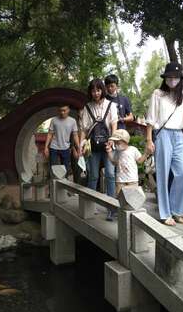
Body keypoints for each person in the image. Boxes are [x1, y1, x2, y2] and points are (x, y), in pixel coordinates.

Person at [145, 62, 183, 226]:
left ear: (180, 79)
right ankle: (165, 213)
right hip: (163, 134)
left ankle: (177, 210)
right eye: (170, 77)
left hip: (179, 135)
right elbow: (150, 120)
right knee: (163, 175)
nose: (173, 80)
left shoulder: (182, 96)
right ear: (165, 78)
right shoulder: (157, 94)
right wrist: (149, 140)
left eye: (176, 77)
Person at [79, 78, 118, 220]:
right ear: (90, 92)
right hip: (93, 146)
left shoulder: (111, 105)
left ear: (103, 90)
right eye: (93, 90)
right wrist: (81, 143)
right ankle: (90, 205)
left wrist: (112, 141)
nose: (96, 93)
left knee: (110, 174)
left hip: (108, 145)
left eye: (98, 90)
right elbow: (84, 129)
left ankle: (112, 208)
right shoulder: (87, 107)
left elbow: (114, 125)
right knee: (93, 175)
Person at [106, 129, 150, 220]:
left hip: (132, 180)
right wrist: (109, 152)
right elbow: (114, 162)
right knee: (120, 198)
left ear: (125, 141)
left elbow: (140, 160)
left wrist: (146, 153)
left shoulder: (133, 150)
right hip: (120, 180)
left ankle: (133, 217)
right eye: (115, 142)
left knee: (133, 199)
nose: (116, 144)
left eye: (117, 142)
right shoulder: (118, 152)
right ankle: (119, 214)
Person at [44, 105, 80, 174]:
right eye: (60, 110)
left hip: (66, 148)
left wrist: (78, 148)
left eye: (64, 110)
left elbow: (75, 135)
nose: (62, 112)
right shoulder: (54, 120)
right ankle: (53, 183)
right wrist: (46, 147)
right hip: (54, 147)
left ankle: (64, 183)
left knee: (66, 170)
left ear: (68, 110)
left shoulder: (72, 121)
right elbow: (50, 134)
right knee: (53, 169)